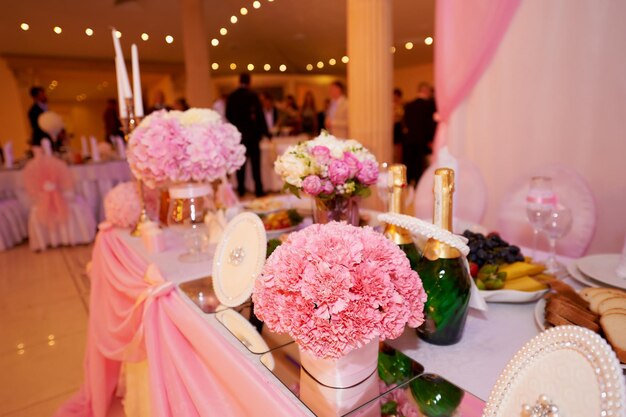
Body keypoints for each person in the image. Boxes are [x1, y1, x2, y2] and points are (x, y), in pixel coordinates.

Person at [226, 73, 268, 197]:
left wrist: (237, 127)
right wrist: (265, 132)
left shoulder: (233, 96)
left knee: (241, 164)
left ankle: (241, 190)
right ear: (249, 82)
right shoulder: (253, 96)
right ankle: (258, 190)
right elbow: (260, 116)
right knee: (256, 165)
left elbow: (228, 114)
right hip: (253, 136)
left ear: (239, 81)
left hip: (239, 136)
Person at [403, 82, 437, 185]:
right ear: (425, 91)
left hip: (409, 141)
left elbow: (406, 124)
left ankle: (408, 190)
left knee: (410, 166)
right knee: (422, 168)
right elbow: (430, 125)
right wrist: (431, 140)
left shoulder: (409, 105)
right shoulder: (429, 105)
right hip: (423, 141)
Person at [393, 89, 405, 164]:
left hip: (398, 127)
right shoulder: (388, 105)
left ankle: (398, 162)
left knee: (399, 147)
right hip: (392, 127)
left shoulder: (402, 105)